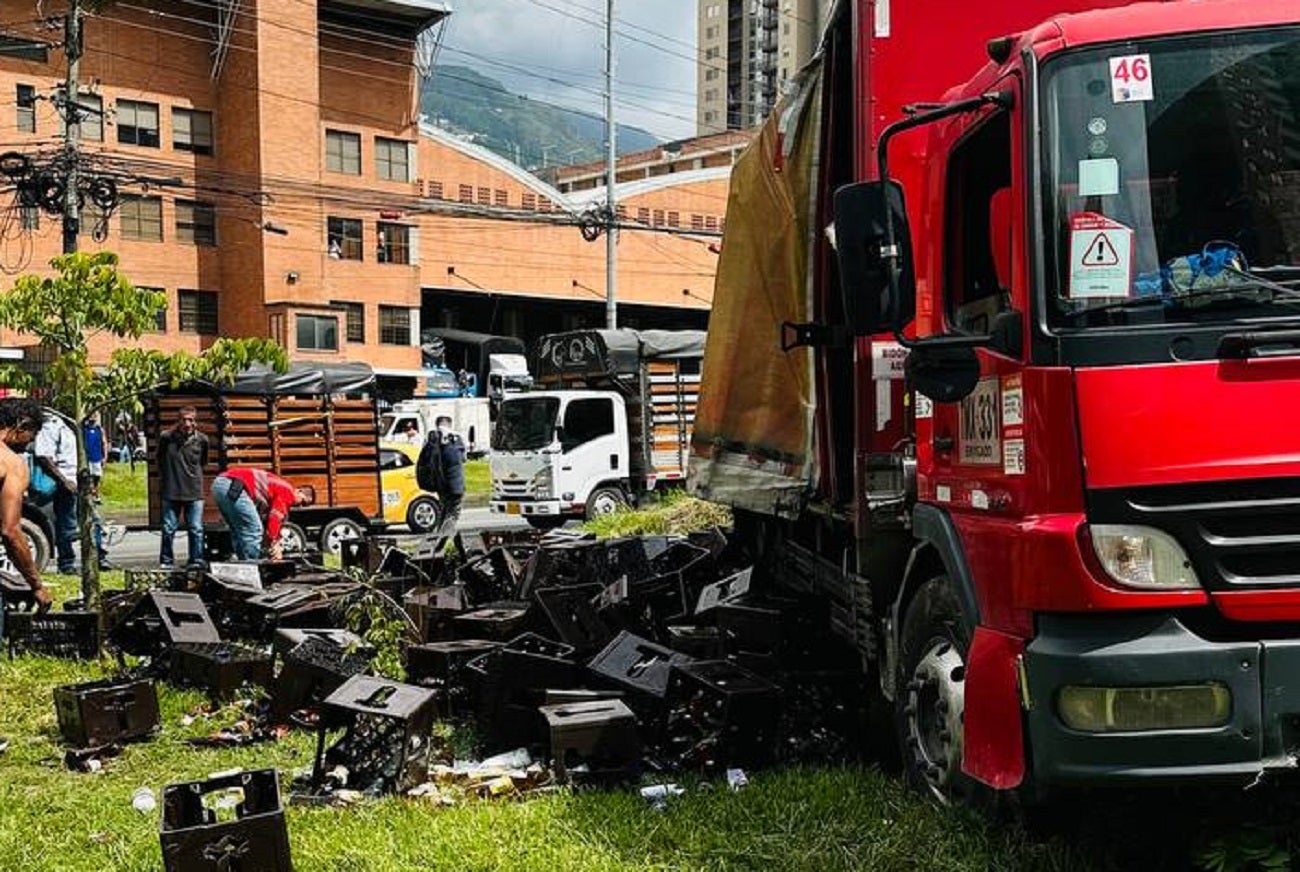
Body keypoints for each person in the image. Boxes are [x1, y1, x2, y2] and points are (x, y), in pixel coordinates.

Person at [0, 399, 51, 635]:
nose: (32, 441)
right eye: (33, 433)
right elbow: (10, 531)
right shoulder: (12, 463)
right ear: (21, 425)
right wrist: (36, 585)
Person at [35, 411, 109, 573]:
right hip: (65, 482)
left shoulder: (82, 426)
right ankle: (66, 563)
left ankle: (98, 558)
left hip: (83, 481)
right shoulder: (52, 425)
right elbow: (43, 456)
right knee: (67, 525)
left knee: (94, 521)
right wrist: (63, 480)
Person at [210, 467, 315, 561]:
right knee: (254, 529)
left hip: (220, 484)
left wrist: (272, 541)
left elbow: (269, 523)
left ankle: (243, 564)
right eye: (303, 502)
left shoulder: (276, 488)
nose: (300, 506)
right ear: (298, 491)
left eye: (304, 505)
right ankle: (251, 566)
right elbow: (274, 519)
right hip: (232, 485)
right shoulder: (288, 492)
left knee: (239, 531)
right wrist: (275, 544)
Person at [157, 405, 210, 569]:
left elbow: (204, 462)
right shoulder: (166, 437)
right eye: (184, 420)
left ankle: (195, 560)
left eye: (191, 420)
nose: (187, 424)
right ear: (178, 421)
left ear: (195, 422)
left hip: (194, 491)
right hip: (171, 490)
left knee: (196, 528)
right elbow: (159, 459)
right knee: (168, 528)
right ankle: (166, 561)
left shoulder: (202, 440)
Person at [428, 415, 465, 535]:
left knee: (443, 509)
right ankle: (445, 537)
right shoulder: (455, 438)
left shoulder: (432, 438)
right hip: (455, 484)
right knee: (454, 512)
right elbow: (463, 458)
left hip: (439, 482)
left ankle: (438, 535)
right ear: (449, 424)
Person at [82, 412, 106, 503]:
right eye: (91, 415)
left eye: (95, 416)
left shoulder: (99, 429)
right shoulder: (84, 429)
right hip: (87, 457)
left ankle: (96, 494)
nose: (93, 417)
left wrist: (105, 456)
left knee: (97, 477)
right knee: (89, 477)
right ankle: (91, 494)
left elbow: (104, 443)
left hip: (97, 457)